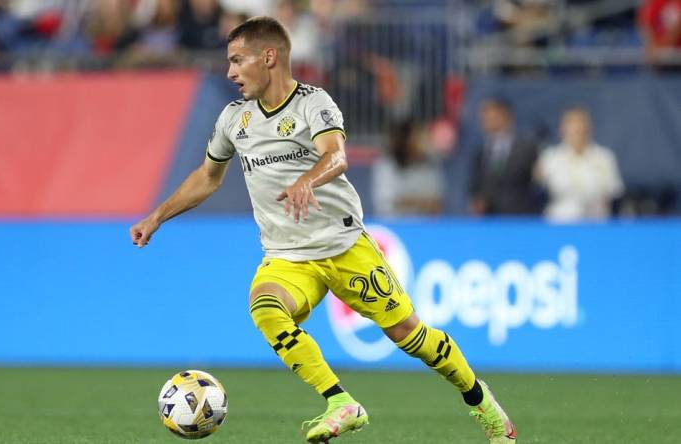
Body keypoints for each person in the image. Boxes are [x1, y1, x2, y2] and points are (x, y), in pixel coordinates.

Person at [130, 16, 517, 444]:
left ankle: (482, 402)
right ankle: (340, 402)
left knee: (409, 335)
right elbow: (208, 175)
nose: (230, 72)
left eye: (238, 60)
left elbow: (337, 156)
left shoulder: (313, 103)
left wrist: (306, 180)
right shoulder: (233, 118)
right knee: (264, 308)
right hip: (288, 256)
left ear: (269, 57)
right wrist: (157, 215)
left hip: (343, 245)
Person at [535, 107, 624, 222]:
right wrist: (538, 180)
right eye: (573, 127)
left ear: (590, 129)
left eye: (581, 127)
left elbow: (615, 192)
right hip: (559, 221)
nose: (578, 131)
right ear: (562, 130)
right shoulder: (550, 157)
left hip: (597, 222)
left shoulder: (604, 157)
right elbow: (541, 194)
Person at [469, 97, 539, 216]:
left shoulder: (527, 148)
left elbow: (530, 181)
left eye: (493, 117)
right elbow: (476, 182)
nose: (488, 121)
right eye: (485, 118)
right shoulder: (480, 151)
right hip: (489, 218)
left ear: (508, 117)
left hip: (520, 216)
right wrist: (477, 199)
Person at [372, 119, 445, 216]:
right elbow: (387, 203)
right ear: (405, 140)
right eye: (416, 138)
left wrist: (410, 202)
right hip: (394, 226)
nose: (422, 143)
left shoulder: (430, 166)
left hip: (427, 227)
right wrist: (420, 202)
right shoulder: (386, 166)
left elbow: (437, 204)